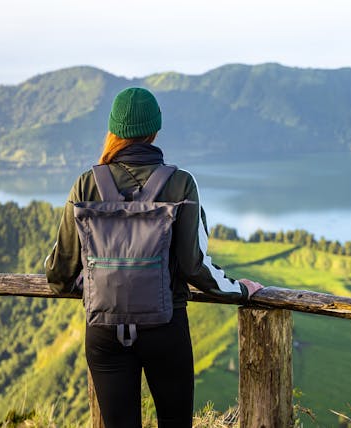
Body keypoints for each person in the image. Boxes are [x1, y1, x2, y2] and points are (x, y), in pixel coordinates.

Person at [45, 87, 263, 427]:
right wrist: (241, 290)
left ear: (113, 130)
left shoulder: (85, 185)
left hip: (104, 329)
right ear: (155, 130)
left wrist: (94, 285)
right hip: (165, 327)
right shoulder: (180, 184)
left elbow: (59, 274)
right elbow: (195, 266)